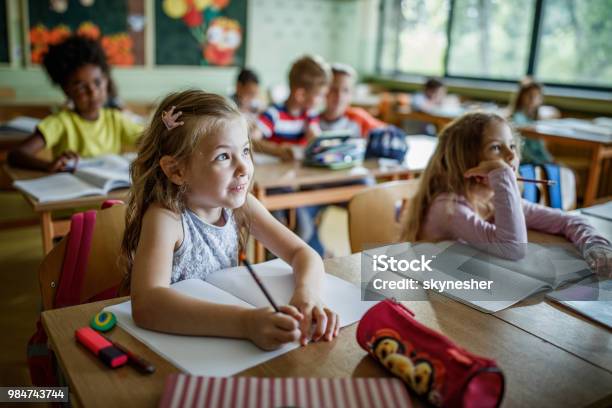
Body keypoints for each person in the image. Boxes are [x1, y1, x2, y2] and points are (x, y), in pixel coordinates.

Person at [122, 90, 339, 350]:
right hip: (179, 348)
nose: (244, 167)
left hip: (226, 347)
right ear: (177, 170)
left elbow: (303, 253)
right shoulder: (166, 219)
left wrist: (308, 294)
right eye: (223, 156)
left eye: (245, 151)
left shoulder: (242, 206)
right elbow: (147, 305)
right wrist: (245, 323)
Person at [401, 112, 611, 276]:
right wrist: (503, 177)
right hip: (432, 294)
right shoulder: (448, 208)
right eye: (496, 148)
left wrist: (596, 246)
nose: (511, 155)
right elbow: (513, 248)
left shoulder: (492, 199)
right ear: (466, 160)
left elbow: (566, 221)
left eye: (511, 146)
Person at [7, 35, 143, 172]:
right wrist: (48, 166)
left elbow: (149, 140)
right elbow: (15, 155)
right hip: (71, 190)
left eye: (97, 82)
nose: (93, 93)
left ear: (106, 80)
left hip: (108, 193)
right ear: (67, 91)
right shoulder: (60, 122)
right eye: (81, 87)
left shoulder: (116, 120)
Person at [253, 55, 330, 160]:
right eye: (319, 95)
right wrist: (277, 150)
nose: (323, 99)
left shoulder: (310, 114)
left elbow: (315, 135)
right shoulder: (273, 114)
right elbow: (252, 141)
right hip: (274, 170)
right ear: (301, 95)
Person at [319, 63, 385, 137]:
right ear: (324, 90)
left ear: (351, 93)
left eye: (345, 90)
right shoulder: (312, 121)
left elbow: (389, 132)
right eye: (334, 89)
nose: (339, 96)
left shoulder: (358, 118)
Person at [509, 79, 557, 164]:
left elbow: (540, 148)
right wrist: (543, 162)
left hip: (539, 160)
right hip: (528, 162)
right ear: (521, 96)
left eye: (536, 96)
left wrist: (550, 161)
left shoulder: (533, 119)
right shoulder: (517, 118)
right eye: (529, 95)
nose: (532, 99)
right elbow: (522, 150)